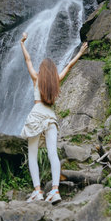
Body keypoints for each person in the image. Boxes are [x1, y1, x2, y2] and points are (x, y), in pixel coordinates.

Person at [20, 32, 88, 203]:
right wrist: (80, 53)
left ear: (42, 71)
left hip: (36, 114)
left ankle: (38, 191)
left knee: (33, 155)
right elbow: (69, 66)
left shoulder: (36, 78)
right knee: (53, 154)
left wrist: (22, 43)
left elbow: (28, 60)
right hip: (51, 116)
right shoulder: (56, 80)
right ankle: (55, 191)